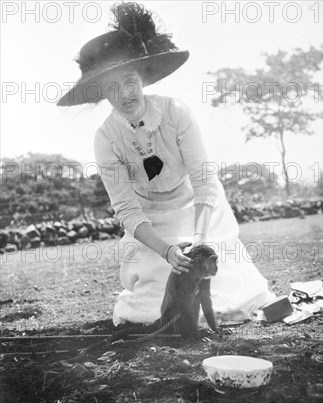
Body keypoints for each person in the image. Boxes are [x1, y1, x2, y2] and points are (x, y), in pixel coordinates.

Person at [57, 2, 275, 327]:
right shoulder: (105, 139)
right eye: (111, 87)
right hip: (152, 225)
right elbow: (127, 210)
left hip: (199, 211)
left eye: (129, 81)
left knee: (232, 295)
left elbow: (203, 181)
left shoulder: (176, 113)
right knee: (149, 310)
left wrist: (200, 241)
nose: (124, 94)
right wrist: (168, 252)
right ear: (101, 93)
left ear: (143, 78)